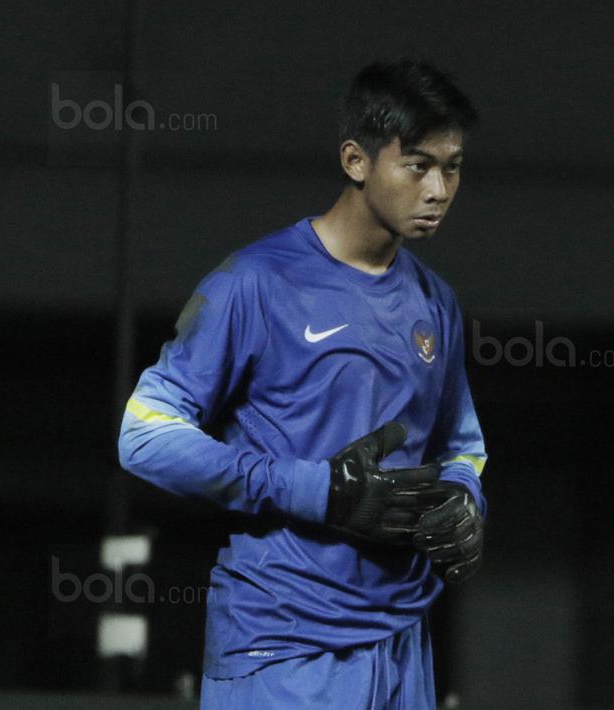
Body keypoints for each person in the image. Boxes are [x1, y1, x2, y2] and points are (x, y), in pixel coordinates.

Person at [116, 57, 487, 709]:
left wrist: (462, 501)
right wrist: (316, 489)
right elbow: (143, 436)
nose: (438, 189)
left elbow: (462, 446)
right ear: (356, 161)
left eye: (451, 167)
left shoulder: (436, 303)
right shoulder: (255, 282)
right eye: (418, 165)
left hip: (402, 644)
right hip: (282, 647)